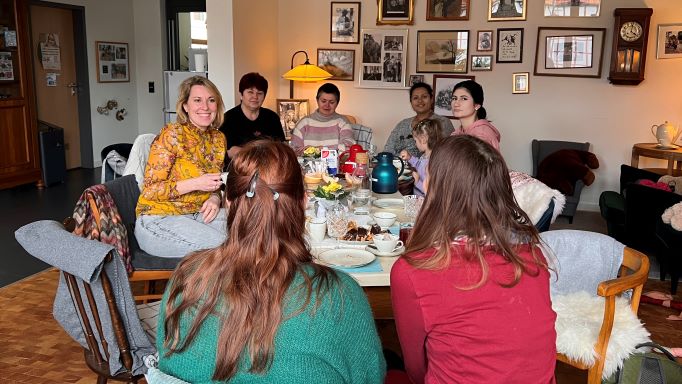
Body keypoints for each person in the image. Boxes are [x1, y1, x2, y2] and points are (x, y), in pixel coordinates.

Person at [152, 140, 386, 383]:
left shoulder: (187, 277)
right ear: (304, 202)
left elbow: (166, 361)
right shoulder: (339, 295)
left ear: (229, 203)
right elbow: (371, 377)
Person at [391, 135, 557, 383]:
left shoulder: (414, 270)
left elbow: (415, 368)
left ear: (437, 190)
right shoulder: (533, 254)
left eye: (428, 177)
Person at [135, 76, 227, 258]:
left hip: (198, 214)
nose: (206, 107)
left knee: (252, 232)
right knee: (227, 249)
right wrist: (195, 183)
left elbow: (216, 184)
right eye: (197, 100)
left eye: (211, 100)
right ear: (185, 106)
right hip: (158, 218)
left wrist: (215, 199)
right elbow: (150, 191)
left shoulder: (218, 139)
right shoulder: (172, 134)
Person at [218, 72, 285, 161]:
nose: (255, 96)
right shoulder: (228, 118)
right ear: (241, 95)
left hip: (269, 167)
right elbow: (230, 152)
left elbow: (281, 146)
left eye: (260, 93)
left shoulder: (272, 117)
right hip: (239, 169)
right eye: (250, 92)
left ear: (264, 96)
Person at [384, 82, 454, 157]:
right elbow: (387, 150)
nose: (420, 101)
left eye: (424, 97)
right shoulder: (402, 124)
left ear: (431, 99)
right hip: (398, 167)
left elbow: (451, 152)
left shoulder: (443, 123)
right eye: (415, 98)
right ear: (411, 102)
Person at [291, 83, 355, 154]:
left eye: (331, 102)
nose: (327, 105)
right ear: (317, 100)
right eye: (323, 101)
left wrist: (321, 149)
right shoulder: (304, 123)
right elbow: (294, 149)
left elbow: (349, 146)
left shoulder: (343, 122)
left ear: (337, 103)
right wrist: (320, 150)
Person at [450, 80, 501, 151]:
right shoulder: (459, 132)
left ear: (477, 105)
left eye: (464, 98)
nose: (456, 104)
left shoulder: (481, 135)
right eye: (454, 98)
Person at [399, 118, 443, 197]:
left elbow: (432, 192)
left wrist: (417, 182)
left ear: (423, 140)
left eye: (415, 141)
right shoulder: (425, 156)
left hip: (424, 202)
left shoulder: (433, 162)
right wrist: (410, 158)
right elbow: (419, 164)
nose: (415, 144)